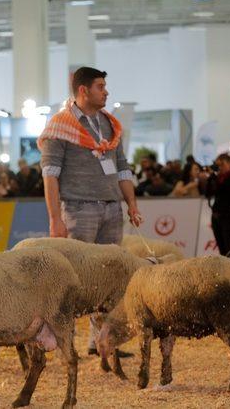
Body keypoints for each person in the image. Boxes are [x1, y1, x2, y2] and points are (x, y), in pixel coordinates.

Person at [39, 66, 142, 357]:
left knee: (110, 279)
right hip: (78, 209)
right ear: (83, 90)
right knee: (74, 280)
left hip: (111, 209)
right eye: (100, 86)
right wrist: (55, 219)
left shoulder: (111, 125)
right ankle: (64, 343)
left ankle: (102, 341)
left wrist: (131, 205)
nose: (106, 91)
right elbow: (50, 175)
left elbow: (122, 167)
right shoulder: (60, 126)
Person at [203, 153, 230, 263]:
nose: (219, 167)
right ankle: (227, 275)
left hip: (228, 217)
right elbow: (208, 193)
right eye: (217, 164)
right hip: (216, 217)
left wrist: (214, 176)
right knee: (222, 251)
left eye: (222, 164)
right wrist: (211, 177)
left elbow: (224, 190)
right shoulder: (217, 178)